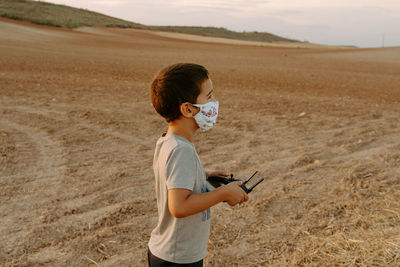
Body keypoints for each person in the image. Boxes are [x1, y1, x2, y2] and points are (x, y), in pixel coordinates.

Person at [147, 63, 248, 266]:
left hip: (169, 251)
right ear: (187, 109)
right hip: (178, 257)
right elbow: (179, 207)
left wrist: (204, 175)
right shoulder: (181, 150)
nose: (214, 103)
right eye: (209, 97)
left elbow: (168, 183)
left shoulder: (168, 141)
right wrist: (224, 193)